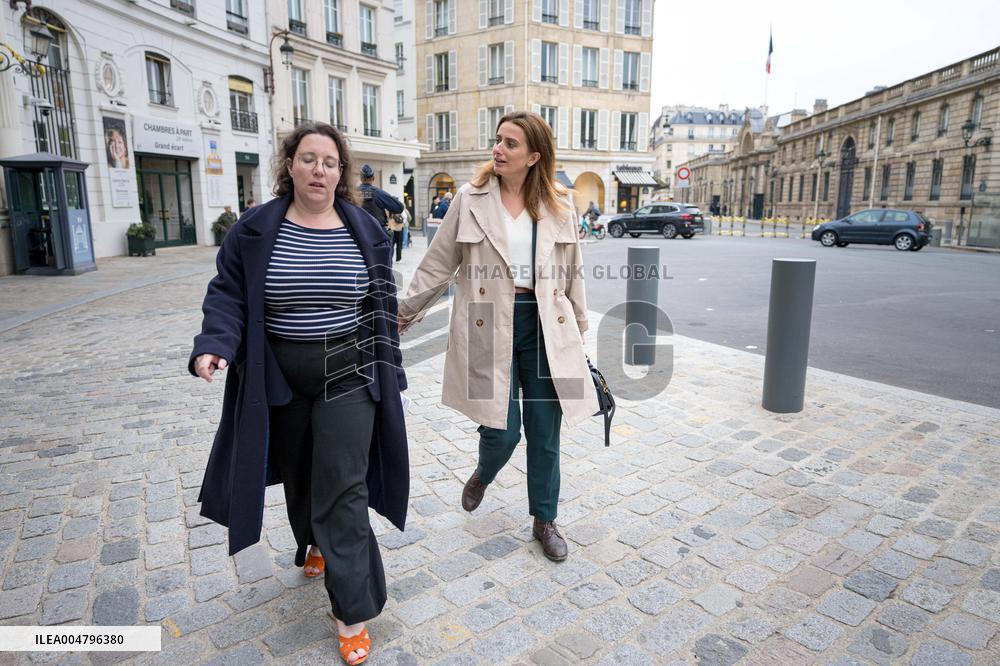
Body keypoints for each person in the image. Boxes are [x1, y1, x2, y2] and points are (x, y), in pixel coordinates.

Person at [189, 122, 409, 665]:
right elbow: (228, 294)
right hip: (277, 374)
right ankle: (312, 541)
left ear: (342, 171)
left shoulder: (366, 229)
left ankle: (352, 610)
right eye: (309, 159)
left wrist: (389, 362)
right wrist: (214, 342)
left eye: (330, 162)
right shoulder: (255, 229)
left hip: (347, 369)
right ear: (289, 166)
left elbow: (381, 297)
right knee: (300, 469)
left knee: (342, 482)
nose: (319, 170)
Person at [398, 111, 597, 562]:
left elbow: (572, 273)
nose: (498, 149)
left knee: (546, 433)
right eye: (498, 140)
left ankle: (544, 519)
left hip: (547, 324)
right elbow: (437, 261)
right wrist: (405, 313)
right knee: (502, 431)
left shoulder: (560, 205)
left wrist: (580, 330)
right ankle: (484, 473)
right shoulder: (470, 198)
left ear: (533, 156)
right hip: (488, 324)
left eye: (510, 143)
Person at [358, 164, 404, 238]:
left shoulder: (351, 194)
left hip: (358, 236)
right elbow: (399, 207)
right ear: (373, 178)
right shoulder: (378, 193)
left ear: (361, 178)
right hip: (377, 237)